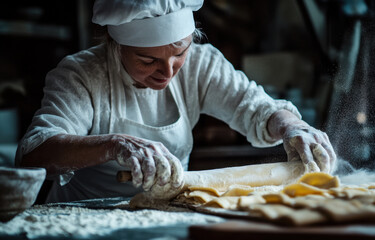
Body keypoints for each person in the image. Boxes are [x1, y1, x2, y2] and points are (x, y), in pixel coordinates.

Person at [16, 0, 336, 203]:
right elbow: (33, 155)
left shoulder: (201, 65)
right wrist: (114, 144)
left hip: (166, 212)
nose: (167, 71)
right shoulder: (81, 74)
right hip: (82, 219)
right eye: (147, 59)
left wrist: (293, 126)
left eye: (179, 52)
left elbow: (255, 106)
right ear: (115, 45)